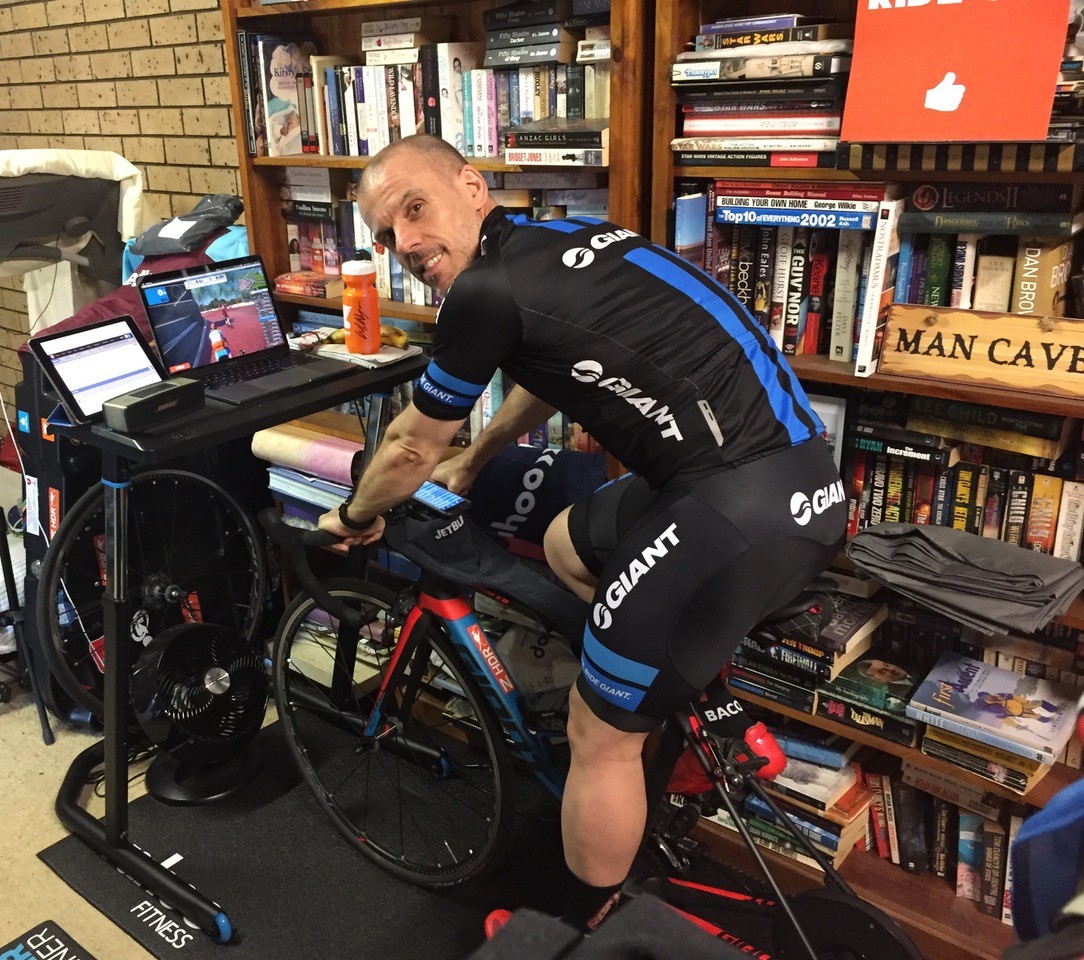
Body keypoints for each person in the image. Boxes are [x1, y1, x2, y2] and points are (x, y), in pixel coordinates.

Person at [318, 134, 847, 933]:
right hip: (798, 480)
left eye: (414, 210)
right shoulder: (552, 241)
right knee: (569, 542)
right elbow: (553, 364)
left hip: (736, 511)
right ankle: (692, 703)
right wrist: (481, 456)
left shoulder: (483, 290)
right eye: (387, 235)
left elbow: (407, 447)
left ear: (471, 186)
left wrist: (358, 516)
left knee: (596, 735)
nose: (406, 245)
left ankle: (578, 927)